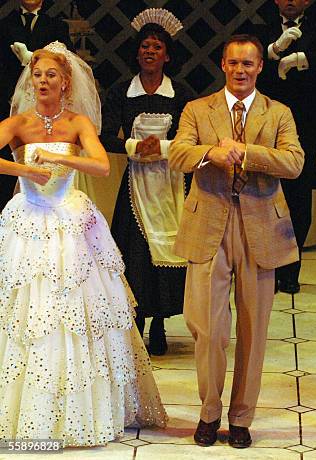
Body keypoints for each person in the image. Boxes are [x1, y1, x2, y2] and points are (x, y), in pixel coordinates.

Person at [0, 42, 167, 446]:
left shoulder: (77, 123)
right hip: (28, 218)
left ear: (65, 82)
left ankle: (82, 403)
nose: (42, 81)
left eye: (50, 75)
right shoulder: (19, 122)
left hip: (69, 218)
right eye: (37, 74)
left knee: (76, 308)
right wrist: (24, 167)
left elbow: (102, 164)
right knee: (28, 309)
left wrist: (65, 160)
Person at [169, 34, 304, 449]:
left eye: (248, 64)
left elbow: (295, 162)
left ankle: (241, 417)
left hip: (260, 226)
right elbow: (177, 154)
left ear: (260, 66)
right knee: (208, 329)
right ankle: (209, 412)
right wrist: (212, 152)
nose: (241, 70)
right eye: (233, 63)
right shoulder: (197, 108)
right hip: (209, 223)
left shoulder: (277, 112)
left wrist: (245, 152)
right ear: (223, 65)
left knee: (253, 328)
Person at [100, 8, 194, 356]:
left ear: (167, 55)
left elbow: (191, 135)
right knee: (135, 253)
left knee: (166, 253)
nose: (149, 52)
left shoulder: (180, 93)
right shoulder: (121, 92)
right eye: (144, 46)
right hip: (135, 184)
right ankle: (135, 322)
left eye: (156, 47)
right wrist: (134, 146)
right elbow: (105, 136)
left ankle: (160, 323)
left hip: (172, 185)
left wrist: (165, 147)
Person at [256, 0, 316, 294]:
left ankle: (291, 269)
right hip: (268, 124)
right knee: (266, 199)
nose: (291, 1)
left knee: (299, 200)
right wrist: (274, 51)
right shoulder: (263, 28)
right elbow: (249, 62)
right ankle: (268, 268)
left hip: (305, 125)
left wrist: (301, 58)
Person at [0, 0, 73, 211]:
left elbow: (67, 63)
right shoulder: (4, 24)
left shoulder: (57, 26)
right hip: (8, 107)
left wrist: (31, 58)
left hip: (47, 109)